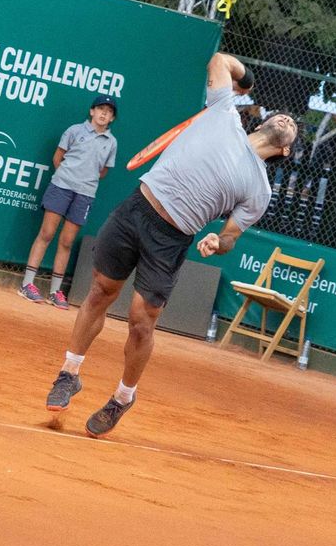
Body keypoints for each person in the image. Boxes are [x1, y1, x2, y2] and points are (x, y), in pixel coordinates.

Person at [44, 54, 296, 439]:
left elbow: (232, 235)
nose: (288, 121)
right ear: (262, 120)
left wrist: (219, 240)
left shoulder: (260, 190)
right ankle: (69, 373)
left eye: (294, 127)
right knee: (99, 292)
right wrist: (245, 82)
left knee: (141, 323)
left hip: (172, 238)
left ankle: (123, 396)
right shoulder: (224, 110)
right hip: (136, 208)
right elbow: (218, 60)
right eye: (283, 116)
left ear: (286, 151)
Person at [18, 96, 119, 308]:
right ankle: (27, 284)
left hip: (85, 194)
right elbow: (58, 157)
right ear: (92, 111)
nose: (103, 114)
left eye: (108, 112)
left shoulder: (112, 143)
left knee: (66, 242)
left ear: (112, 118)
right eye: (100, 109)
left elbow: (103, 172)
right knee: (46, 234)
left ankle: (55, 291)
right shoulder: (74, 131)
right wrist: (67, 178)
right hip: (61, 187)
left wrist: (83, 181)